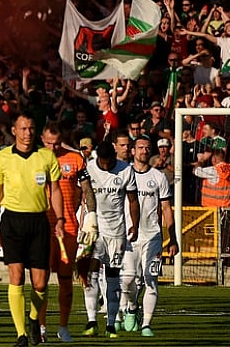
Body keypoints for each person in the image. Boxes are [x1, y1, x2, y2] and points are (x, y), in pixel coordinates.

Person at [0, 113, 64, 347]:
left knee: (40, 283)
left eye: (31, 129)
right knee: (17, 276)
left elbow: (55, 190)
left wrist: (60, 218)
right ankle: (21, 334)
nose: (27, 133)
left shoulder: (46, 156)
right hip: (12, 221)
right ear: (14, 131)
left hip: (38, 222)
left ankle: (33, 318)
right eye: (22, 129)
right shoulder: (1, 158)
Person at [37, 122, 94, 343]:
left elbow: (87, 189)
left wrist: (92, 215)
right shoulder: (35, 159)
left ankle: (63, 326)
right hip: (42, 227)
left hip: (69, 227)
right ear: (42, 140)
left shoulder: (76, 159)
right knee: (40, 282)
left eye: (56, 143)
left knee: (65, 281)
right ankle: (41, 326)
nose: (52, 148)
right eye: (48, 143)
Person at [119, 135, 178, 337]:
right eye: (140, 147)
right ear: (133, 151)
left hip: (153, 237)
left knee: (151, 279)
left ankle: (146, 324)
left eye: (147, 148)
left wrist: (173, 238)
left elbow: (166, 208)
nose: (144, 151)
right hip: (129, 237)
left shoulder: (158, 177)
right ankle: (133, 306)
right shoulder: (124, 175)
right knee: (128, 280)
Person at [80, 142, 139, 339]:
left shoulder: (125, 170)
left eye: (108, 163)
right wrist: (83, 220)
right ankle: (91, 321)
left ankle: (111, 324)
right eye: (102, 163)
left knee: (113, 279)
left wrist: (135, 225)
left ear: (114, 157)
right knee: (90, 275)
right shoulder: (89, 167)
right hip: (96, 231)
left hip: (117, 233)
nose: (105, 167)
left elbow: (132, 200)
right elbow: (82, 195)